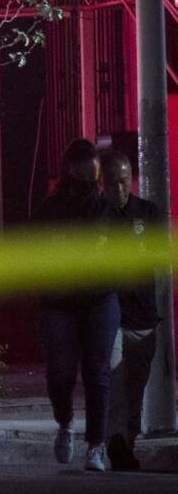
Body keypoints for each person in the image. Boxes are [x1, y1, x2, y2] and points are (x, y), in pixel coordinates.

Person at [33, 139, 119, 470]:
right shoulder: (49, 212)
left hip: (100, 297)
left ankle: (96, 446)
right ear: (69, 169)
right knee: (60, 373)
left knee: (97, 373)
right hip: (59, 300)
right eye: (81, 166)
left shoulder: (104, 209)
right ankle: (66, 423)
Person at [99, 147, 160, 471]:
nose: (119, 190)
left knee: (136, 387)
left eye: (123, 182)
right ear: (102, 185)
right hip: (112, 316)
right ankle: (117, 442)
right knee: (118, 382)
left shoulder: (147, 213)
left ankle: (128, 442)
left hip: (144, 316)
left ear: (131, 180)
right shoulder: (98, 218)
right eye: (112, 184)